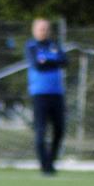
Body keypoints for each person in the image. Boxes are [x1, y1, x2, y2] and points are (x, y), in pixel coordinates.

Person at [25, 18, 67, 175]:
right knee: (41, 131)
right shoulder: (31, 46)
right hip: (39, 94)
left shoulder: (54, 45)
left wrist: (48, 59)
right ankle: (44, 166)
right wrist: (53, 58)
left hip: (57, 94)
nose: (44, 31)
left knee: (59, 130)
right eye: (41, 29)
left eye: (46, 29)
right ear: (34, 30)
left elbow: (64, 60)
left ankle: (51, 161)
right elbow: (37, 64)